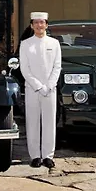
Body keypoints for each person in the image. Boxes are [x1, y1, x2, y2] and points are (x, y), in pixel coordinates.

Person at [19, 11, 61, 169]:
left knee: (49, 123)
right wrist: (38, 86)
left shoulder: (54, 43)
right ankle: (35, 156)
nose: (39, 25)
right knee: (32, 122)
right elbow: (25, 69)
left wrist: (49, 85)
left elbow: (57, 67)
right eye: (36, 22)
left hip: (50, 89)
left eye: (42, 22)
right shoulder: (26, 44)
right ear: (31, 26)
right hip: (32, 89)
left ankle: (48, 156)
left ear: (46, 25)